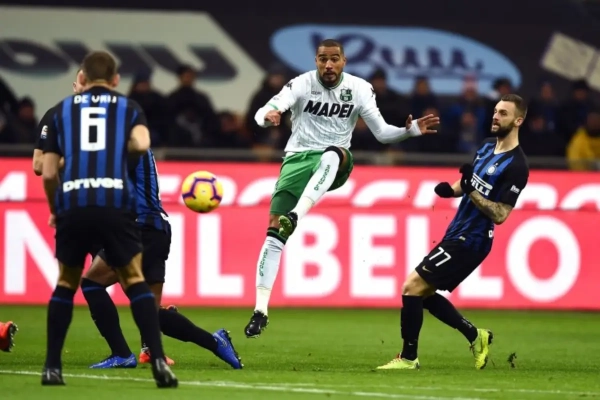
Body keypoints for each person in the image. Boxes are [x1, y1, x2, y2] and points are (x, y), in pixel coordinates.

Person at [245, 38, 440, 338]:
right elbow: (265, 110)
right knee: (273, 231)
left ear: (344, 61)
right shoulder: (301, 84)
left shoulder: (359, 89)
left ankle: (296, 215)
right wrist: (268, 118)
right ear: (316, 60)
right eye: (323, 59)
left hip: (337, 161)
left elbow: (382, 134)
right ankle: (260, 311)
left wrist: (410, 131)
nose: (328, 64)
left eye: (334, 58)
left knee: (332, 153)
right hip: (297, 159)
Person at [40, 50, 177, 388]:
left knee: (67, 283)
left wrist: (56, 208)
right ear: (115, 80)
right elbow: (141, 144)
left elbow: (47, 172)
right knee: (134, 279)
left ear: (82, 78)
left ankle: (52, 367)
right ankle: (158, 362)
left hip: (74, 202)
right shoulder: (128, 108)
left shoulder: (60, 112)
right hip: (114, 203)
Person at [376, 94, 529, 371]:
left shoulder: (517, 166)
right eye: (495, 111)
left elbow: (500, 214)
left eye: (504, 113)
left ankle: (409, 358)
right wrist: (452, 189)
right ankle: (476, 336)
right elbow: (469, 181)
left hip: (473, 240)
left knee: (411, 287)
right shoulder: (486, 146)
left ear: (518, 121)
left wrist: (470, 190)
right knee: (421, 293)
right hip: (457, 231)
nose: (496, 116)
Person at [83, 150, 242, 370]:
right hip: (156, 229)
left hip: (137, 228)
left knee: (92, 284)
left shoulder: (126, 144)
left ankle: (121, 354)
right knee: (149, 312)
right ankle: (216, 342)